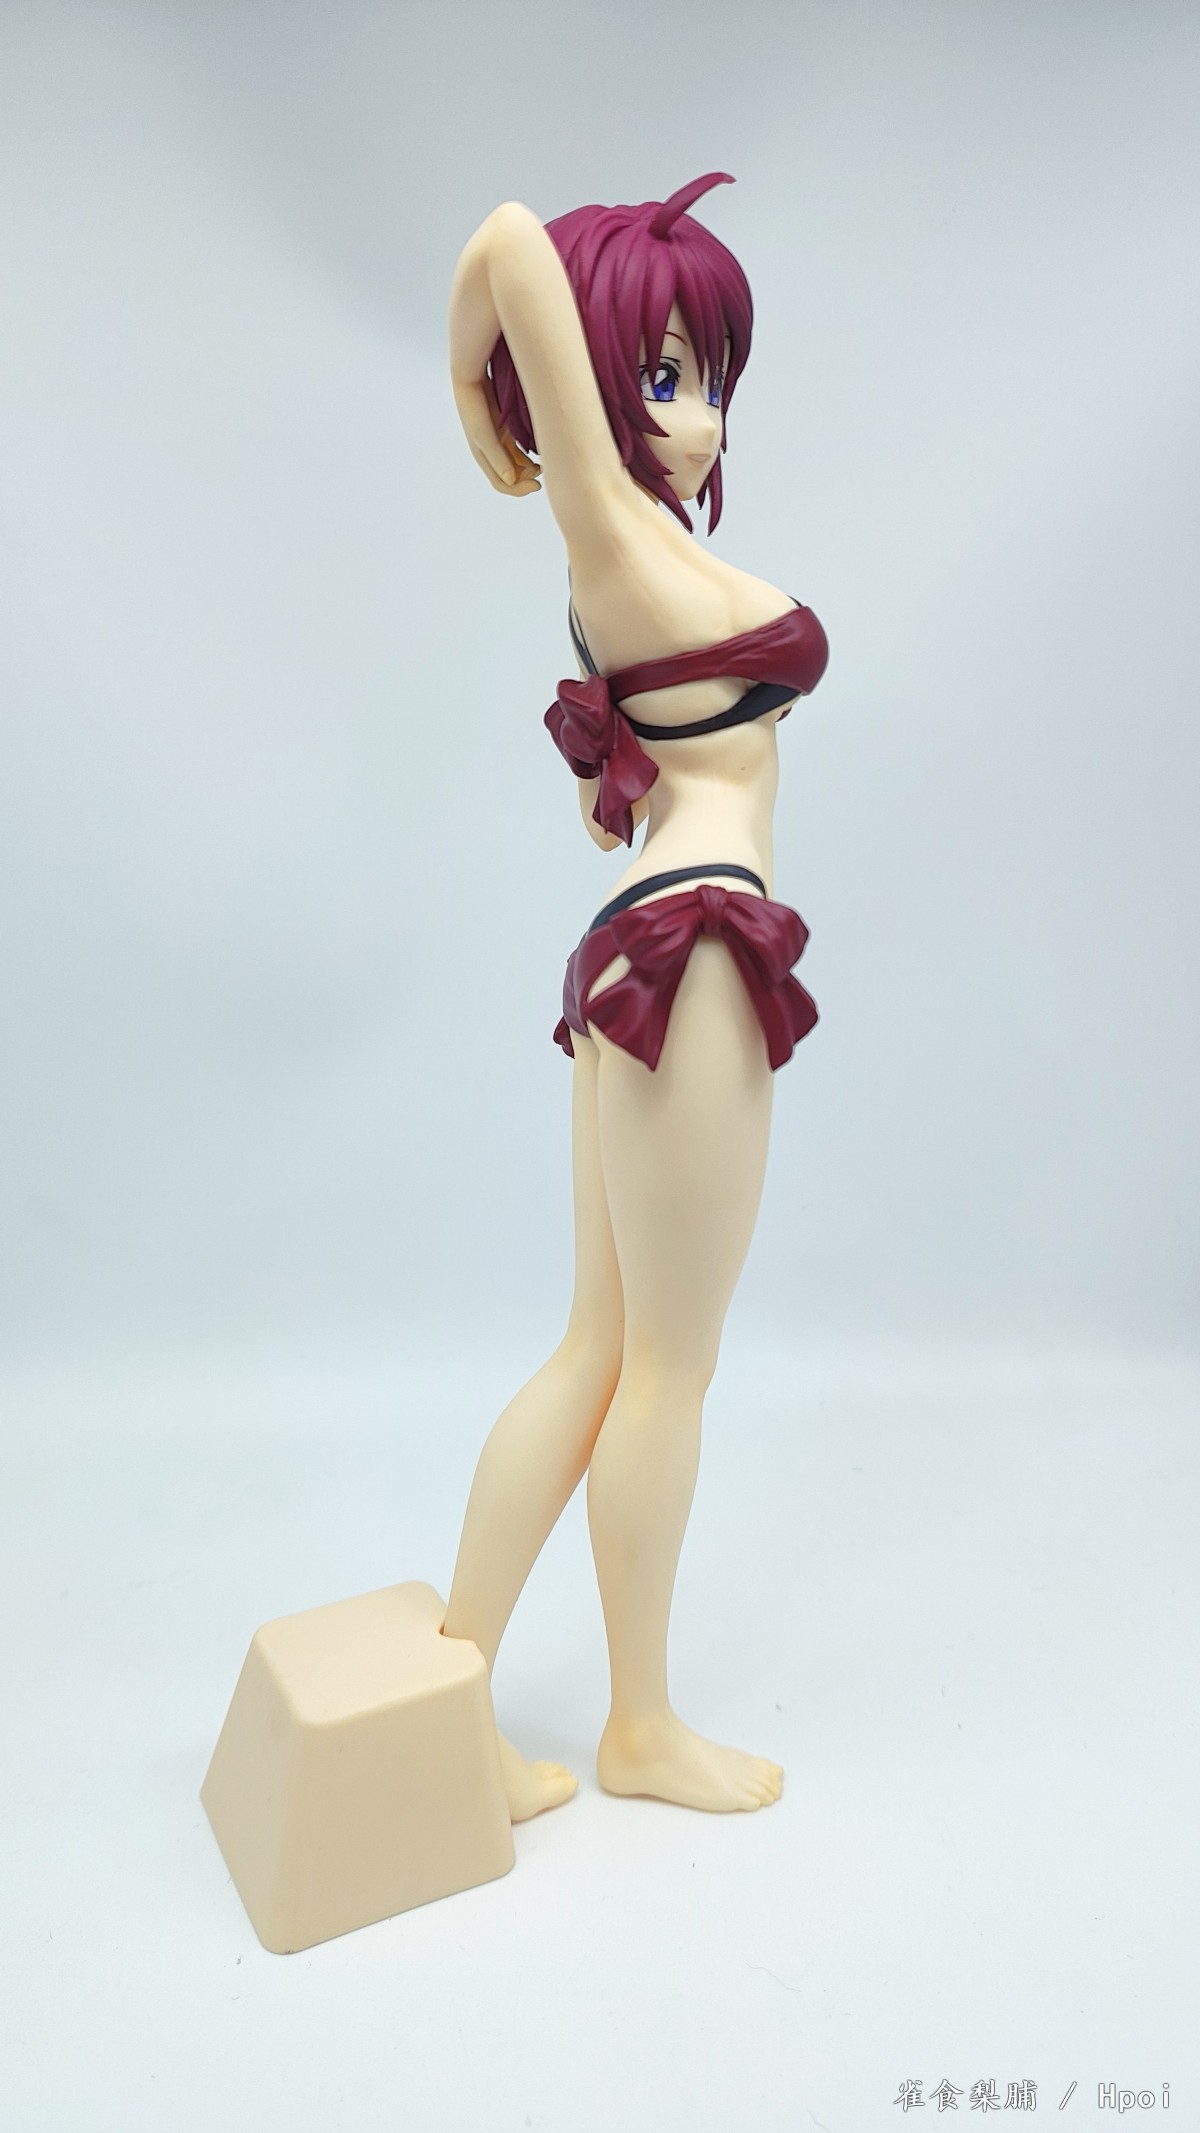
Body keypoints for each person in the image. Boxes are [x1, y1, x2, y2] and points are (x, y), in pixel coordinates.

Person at [443, 175, 828, 1821]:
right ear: (593, 387)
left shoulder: (642, 552)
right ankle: (643, 1726)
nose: (699, 413)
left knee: (601, 1346)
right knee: (667, 1363)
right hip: (694, 954)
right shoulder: (605, 525)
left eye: (708, 373)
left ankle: (451, 1695)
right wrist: (486, 406)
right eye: (661, 373)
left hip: (639, 942)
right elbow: (506, 241)